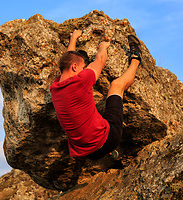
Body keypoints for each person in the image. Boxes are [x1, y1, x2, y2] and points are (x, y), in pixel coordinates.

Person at [49, 29, 142, 160]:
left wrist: (74, 38)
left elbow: (67, 59)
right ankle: (137, 58)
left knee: (90, 114)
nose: (84, 70)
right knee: (116, 85)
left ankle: (109, 152)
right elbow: (100, 61)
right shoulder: (81, 81)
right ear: (75, 67)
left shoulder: (55, 88)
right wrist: (103, 47)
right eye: (83, 67)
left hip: (85, 154)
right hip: (108, 140)